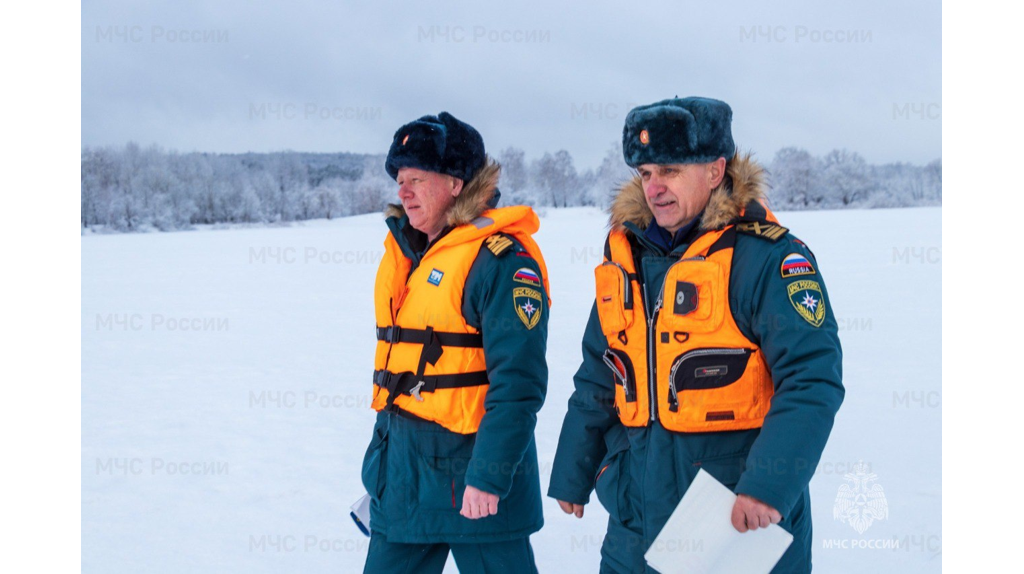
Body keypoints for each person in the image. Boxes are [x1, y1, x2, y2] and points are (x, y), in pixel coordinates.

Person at [548, 97, 844, 573]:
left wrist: (766, 486)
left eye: (669, 170)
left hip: (734, 521)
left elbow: (812, 379)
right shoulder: (627, 261)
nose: (655, 188)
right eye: (645, 173)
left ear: (714, 170)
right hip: (635, 519)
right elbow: (599, 372)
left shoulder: (768, 259)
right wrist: (576, 469)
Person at [361, 112, 550, 574]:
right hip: (403, 484)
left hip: (477, 489)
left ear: (455, 183)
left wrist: (489, 476)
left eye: (416, 179)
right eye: (399, 179)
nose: (402, 191)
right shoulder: (410, 254)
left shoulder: (500, 261)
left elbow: (519, 384)